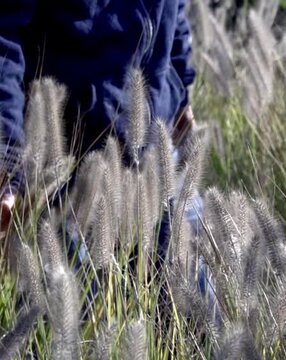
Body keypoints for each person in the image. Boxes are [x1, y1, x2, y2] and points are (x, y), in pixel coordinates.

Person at [0, 0, 197, 230]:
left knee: (196, 259)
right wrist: (9, 160)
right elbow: (5, 35)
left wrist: (180, 88)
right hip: (68, 163)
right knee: (69, 262)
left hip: (155, 144)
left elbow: (174, 12)